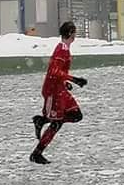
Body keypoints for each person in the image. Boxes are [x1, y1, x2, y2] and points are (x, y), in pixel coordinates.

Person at [30, 21, 87, 165]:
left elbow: (57, 71)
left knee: (76, 115)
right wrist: (74, 79)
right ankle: (37, 154)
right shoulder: (62, 49)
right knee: (57, 122)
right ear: (70, 33)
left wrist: (65, 82)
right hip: (53, 91)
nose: (75, 35)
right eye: (74, 32)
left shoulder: (64, 48)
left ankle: (42, 121)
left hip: (60, 88)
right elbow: (54, 71)